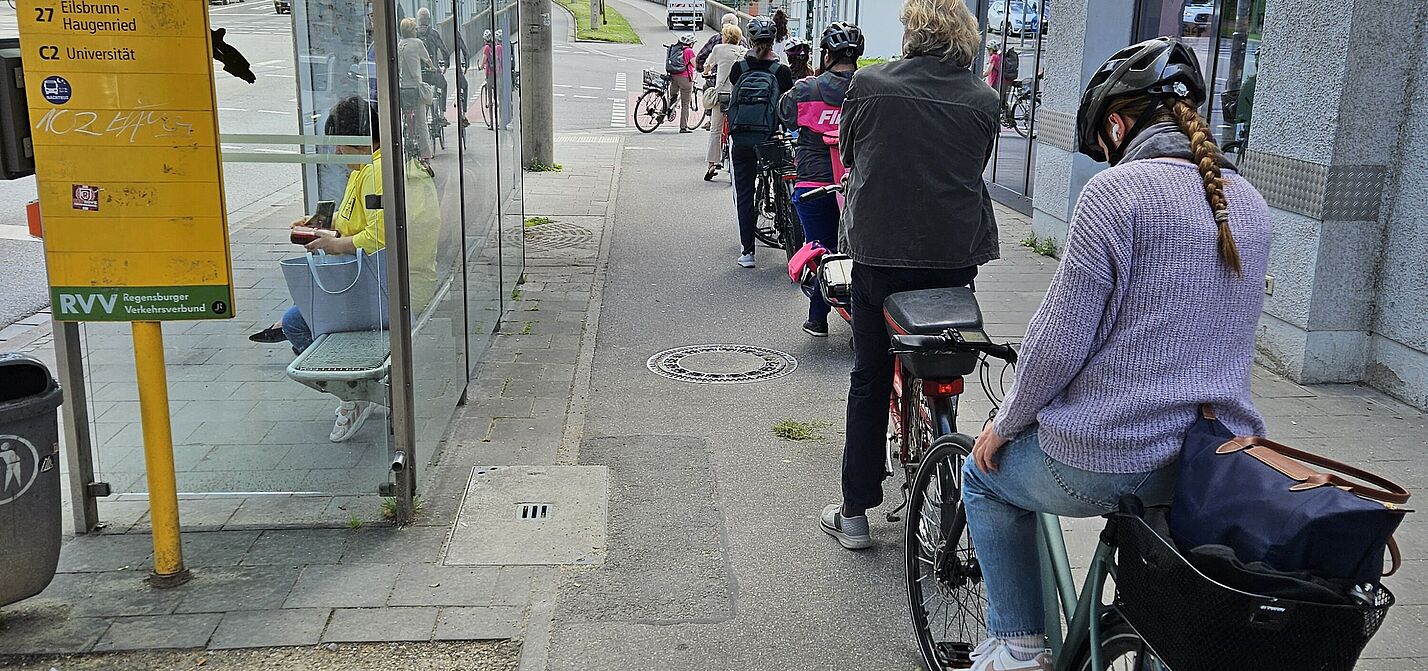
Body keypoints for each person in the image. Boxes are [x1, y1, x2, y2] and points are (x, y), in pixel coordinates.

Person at [959, 38, 1271, 670]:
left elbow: (1057, 344)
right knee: (1164, 610)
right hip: (1208, 465)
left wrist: (1005, 422)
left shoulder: (1116, 195)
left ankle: (1017, 648)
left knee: (982, 480)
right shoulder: (1249, 204)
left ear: (1117, 123)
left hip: (1111, 453)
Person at [819, 0, 1000, 548]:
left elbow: (850, 154)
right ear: (964, 37)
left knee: (871, 375)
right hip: (953, 257)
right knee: (941, 347)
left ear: (911, 32)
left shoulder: (870, 86)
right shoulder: (984, 100)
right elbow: (976, 164)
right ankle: (947, 451)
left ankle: (854, 513)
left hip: (881, 254)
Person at [270, 97, 387, 442]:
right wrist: (321, 223)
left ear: (360, 139)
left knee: (294, 322)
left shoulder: (375, 174)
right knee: (298, 314)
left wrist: (333, 244)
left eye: (339, 144)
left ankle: (355, 392)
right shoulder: (363, 171)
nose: (336, 153)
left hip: (376, 284)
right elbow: (354, 220)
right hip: (364, 277)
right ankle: (355, 388)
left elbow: (381, 234)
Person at [778, 22, 862, 336]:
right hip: (858, 185)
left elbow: (785, 114)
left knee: (820, 250)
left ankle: (819, 317)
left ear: (826, 55)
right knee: (859, 251)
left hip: (813, 183)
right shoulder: (868, 88)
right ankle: (859, 316)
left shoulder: (806, 89)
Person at [727, 15, 794, 268]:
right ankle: (786, 225)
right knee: (781, 178)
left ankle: (747, 252)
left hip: (742, 138)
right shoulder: (782, 71)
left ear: (751, 40)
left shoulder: (740, 69)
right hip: (770, 138)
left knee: (745, 191)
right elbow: (786, 105)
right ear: (774, 40)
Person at [702, 23, 747, 181]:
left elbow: (707, 66)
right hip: (736, 97)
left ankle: (712, 164)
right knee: (735, 131)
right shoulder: (743, 52)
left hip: (721, 95)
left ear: (726, 36)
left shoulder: (719, 49)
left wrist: (706, 72)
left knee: (715, 130)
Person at [397, 17, 435, 159]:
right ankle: (426, 155)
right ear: (411, 30)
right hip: (415, 89)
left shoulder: (400, 45)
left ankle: (408, 137)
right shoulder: (417, 43)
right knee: (422, 123)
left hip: (403, 89)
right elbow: (427, 59)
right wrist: (433, 67)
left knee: (405, 115)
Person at [666, 33, 698, 133]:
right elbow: (695, 65)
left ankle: (664, 114)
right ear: (691, 43)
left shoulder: (675, 49)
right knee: (685, 104)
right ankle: (683, 127)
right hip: (685, 79)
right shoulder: (689, 51)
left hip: (673, 76)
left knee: (672, 97)